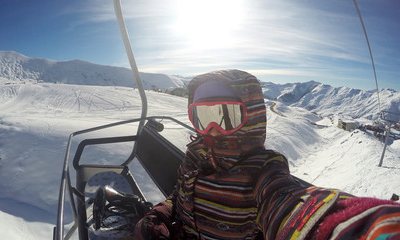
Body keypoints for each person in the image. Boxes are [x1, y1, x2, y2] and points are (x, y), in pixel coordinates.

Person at [134, 69, 400, 239]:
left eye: (226, 116)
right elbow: (179, 195)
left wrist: (362, 228)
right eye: (203, 117)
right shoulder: (196, 157)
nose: (212, 130)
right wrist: (162, 214)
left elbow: (291, 205)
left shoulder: (263, 172)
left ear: (251, 118)